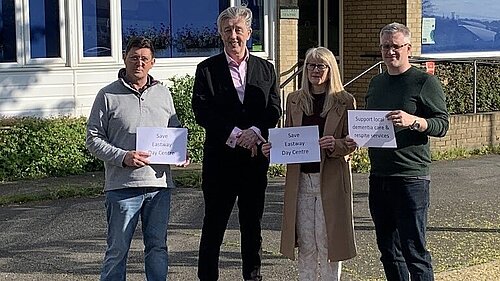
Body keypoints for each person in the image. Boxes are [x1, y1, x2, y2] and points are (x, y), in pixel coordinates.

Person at [191, 6, 282, 281]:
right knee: (214, 226)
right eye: (228, 30)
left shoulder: (266, 68)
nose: (233, 35)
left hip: (255, 162)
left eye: (238, 29)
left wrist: (255, 131)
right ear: (220, 34)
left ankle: (252, 276)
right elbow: (202, 110)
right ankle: (207, 277)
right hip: (220, 161)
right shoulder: (206, 69)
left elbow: (274, 108)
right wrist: (235, 136)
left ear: (249, 33)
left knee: (252, 226)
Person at [86, 36, 187, 281]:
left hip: (158, 186)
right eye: (133, 58)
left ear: (152, 62)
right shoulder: (107, 95)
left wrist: (180, 153)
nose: (138, 63)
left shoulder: (163, 93)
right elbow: (93, 139)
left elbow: (173, 131)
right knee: (117, 250)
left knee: (157, 248)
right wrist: (123, 157)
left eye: (144, 59)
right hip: (122, 187)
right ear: (124, 59)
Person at [262, 47, 357, 280]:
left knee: (328, 244)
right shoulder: (294, 99)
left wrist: (335, 144)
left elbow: (353, 143)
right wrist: (272, 148)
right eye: (311, 66)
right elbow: (288, 139)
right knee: (306, 244)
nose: (315, 71)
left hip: (331, 179)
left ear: (330, 69)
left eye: (321, 66)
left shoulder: (344, 100)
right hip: (301, 181)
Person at [364, 22, 449, 281]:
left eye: (396, 46)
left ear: (408, 49)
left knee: (415, 251)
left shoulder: (424, 82)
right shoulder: (376, 83)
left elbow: (442, 124)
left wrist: (414, 120)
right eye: (385, 46)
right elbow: (369, 123)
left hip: (411, 178)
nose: (390, 52)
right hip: (379, 176)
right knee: (388, 250)